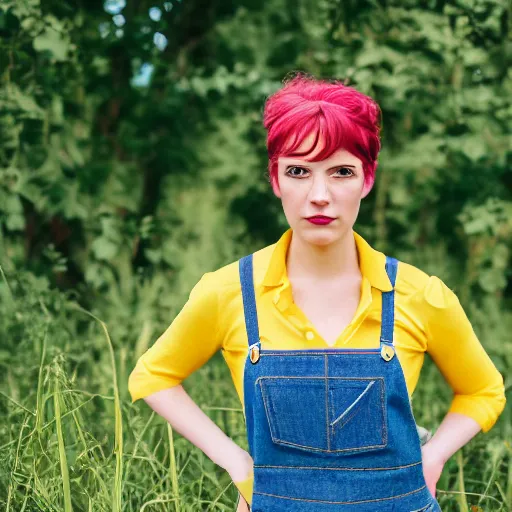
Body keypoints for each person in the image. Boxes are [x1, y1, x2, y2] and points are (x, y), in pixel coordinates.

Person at [128, 73, 506, 511]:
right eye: (299, 172)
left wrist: (434, 456)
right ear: (275, 180)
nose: (320, 196)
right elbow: (152, 377)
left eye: (341, 172)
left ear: (367, 180)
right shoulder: (230, 292)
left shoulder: (420, 295)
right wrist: (238, 465)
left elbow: (484, 390)